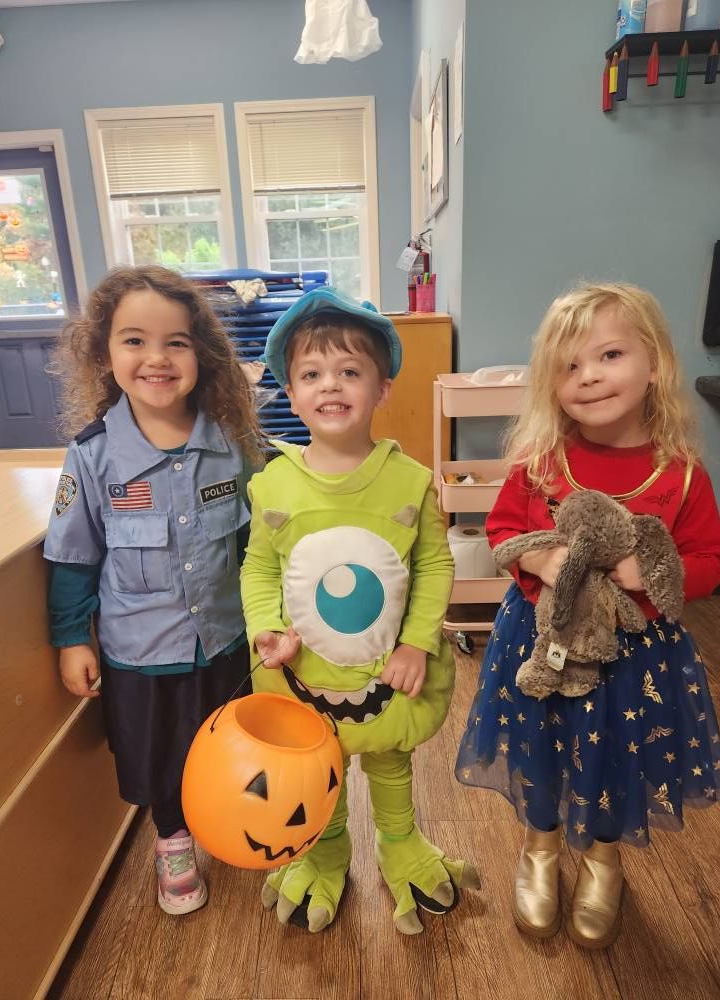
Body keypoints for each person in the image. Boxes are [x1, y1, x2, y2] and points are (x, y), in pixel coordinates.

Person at [456, 282, 720, 949]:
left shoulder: (682, 473)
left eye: (609, 355)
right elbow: (501, 531)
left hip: (638, 659)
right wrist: (541, 562)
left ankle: (605, 860)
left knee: (619, 759)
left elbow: (712, 558)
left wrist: (656, 574)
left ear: (654, 365)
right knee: (542, 745)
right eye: (570, 366)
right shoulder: (539, 463)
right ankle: (540, 849)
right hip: (543, 643)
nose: (590, 376)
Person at [240, 287, 480, 935]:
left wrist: (416, 643)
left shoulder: (412, 482)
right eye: (312, 375)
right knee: (321, 763)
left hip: (386, 672)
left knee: (389, 756)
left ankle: (400, 842)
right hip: (304, 670)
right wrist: (265, 629)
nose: (330, 386)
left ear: (383, 388)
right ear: (291, 394)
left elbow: (433, 565)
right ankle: (326, 848)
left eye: (350, 371)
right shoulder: (272, 486)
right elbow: (259, 567)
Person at [44, 265, 262, 915]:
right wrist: (67, 638)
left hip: (227, 639)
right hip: (140, 651)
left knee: (226, 742)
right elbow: (73, 557)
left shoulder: (233, 445)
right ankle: (172, 839)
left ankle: (228, 823)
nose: (156, 358)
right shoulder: (92, 456)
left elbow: (262, 546)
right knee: (160, 755)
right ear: (104, 354)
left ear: (202, 354)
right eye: (134, 340)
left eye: (176, 342)